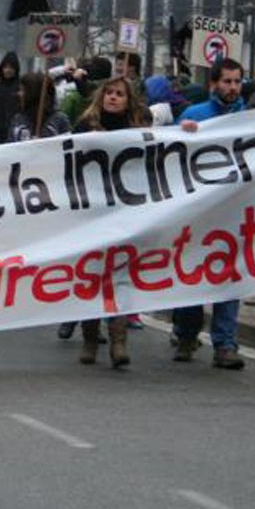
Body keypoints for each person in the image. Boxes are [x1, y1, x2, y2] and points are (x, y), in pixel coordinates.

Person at [68, 76, 152, 367]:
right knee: (92, 273)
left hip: (122, 211)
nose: (113, 98)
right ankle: (90, 339)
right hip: (90, 212)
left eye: (120, 94)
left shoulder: (138, 130)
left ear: (128, 100)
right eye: (109, 93)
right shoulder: (84, 127)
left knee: (118, 273)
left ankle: (118, 340)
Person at [172, 58, 247, 369]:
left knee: (229, 277)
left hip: (235, 210)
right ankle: (186, 334)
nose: (231, 87)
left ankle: (225, 344)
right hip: (199, 212)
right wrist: (182, 132)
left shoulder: (252, 117)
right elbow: (170, 154)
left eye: (236, 82)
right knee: (193, 276)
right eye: (226, 81)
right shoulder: (195, 115)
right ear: (214, 83)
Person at [9, 71, 70, 142]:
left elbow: (66, 146)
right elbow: (9, 145)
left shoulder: (59, 119)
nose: (19, 94)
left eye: (22, 90)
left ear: (33, 93)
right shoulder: (18, 119)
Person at [0, 52, 21, 143]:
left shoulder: (20, 88)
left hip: (14, 130)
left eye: (11, 67)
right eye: (6, 67)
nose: (8, 70)